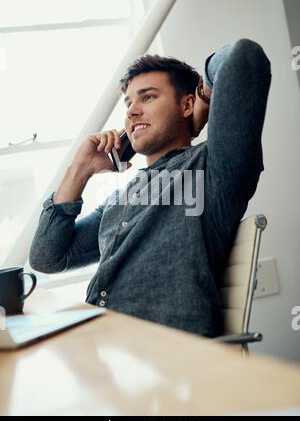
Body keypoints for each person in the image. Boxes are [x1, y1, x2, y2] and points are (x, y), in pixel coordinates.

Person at [29, 38, 271, 337]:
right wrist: (79, 171)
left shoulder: (211, 167)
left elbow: (243, 57)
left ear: (186, 105)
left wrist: (203, 102)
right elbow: (46, 258)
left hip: (164, 355)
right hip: (103, 347)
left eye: (148, 97)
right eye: (129, 102)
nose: (131, 112)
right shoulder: (120, 199)